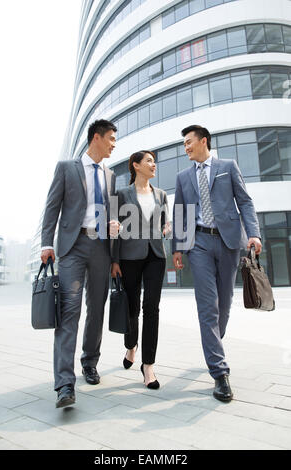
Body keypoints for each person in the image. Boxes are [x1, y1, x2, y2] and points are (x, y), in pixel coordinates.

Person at [172, 125, 262, 402]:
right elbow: (180, 213)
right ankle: (219, 372)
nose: (185, 147)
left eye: (189, 142)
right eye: (183, 143)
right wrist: (177, 247)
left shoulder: (227, 166)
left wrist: (254, 233)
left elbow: (245, 202)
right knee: (207, 307)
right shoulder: (183, 176)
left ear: (203, 141)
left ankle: (214, 343)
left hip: (229, 242)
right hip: (198, 244)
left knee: (224, 304)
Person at [41, 119, 119, 408]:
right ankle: (64, 383)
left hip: (101, 248)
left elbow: (111, 212)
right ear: (96, 138)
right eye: (111, 138)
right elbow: (52, 206)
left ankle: (89, 362)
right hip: (72, 247)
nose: (113, 144)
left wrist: (114, 227)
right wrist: (47, 243)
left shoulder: (109, 175)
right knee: (69, 311)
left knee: (97, 309)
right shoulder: (67, 168)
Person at [111, 151, 170, 389]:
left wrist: (167, 228)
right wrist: (114, 260)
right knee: (132, 307)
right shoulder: (121, 194)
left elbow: (166, 223)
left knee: (152, 309)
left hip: (156, 255)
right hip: (129, 257)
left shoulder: (162, 194)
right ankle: (130, 345)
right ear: (135, 165)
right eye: (148, 161)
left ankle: (148, 366)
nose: (153, 164)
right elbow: (114, 229)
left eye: (154, 161)